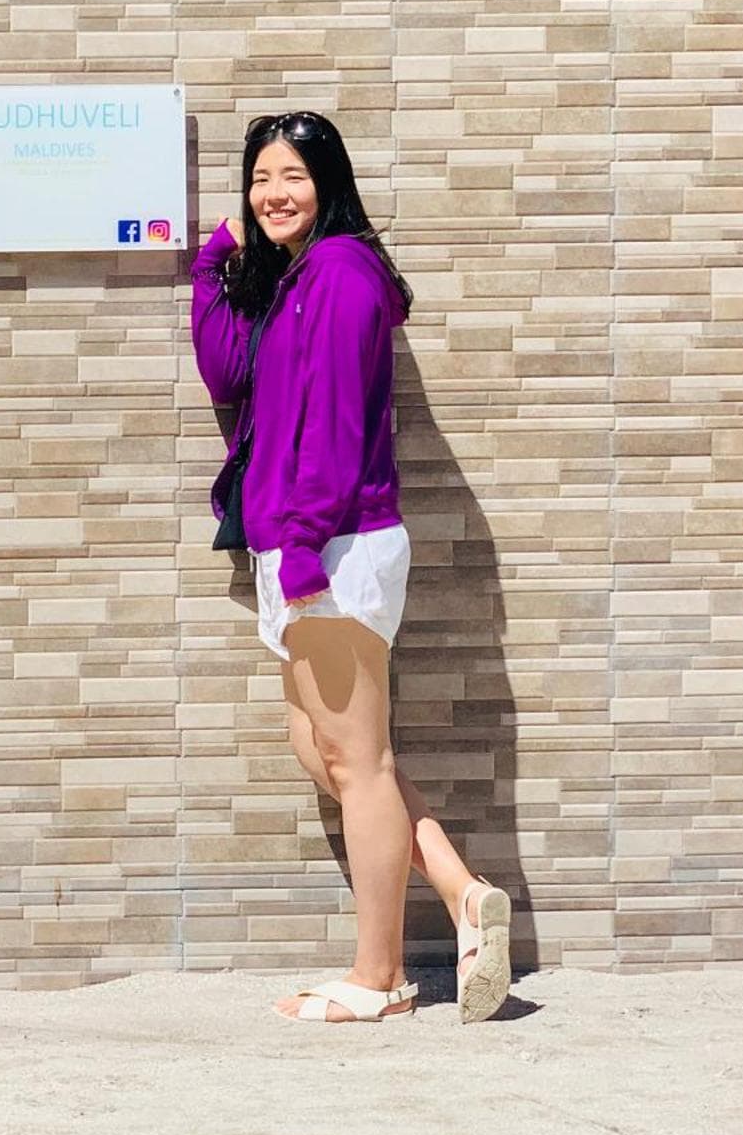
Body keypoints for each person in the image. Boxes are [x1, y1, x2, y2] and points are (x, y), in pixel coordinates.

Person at [190, 110, 512, 1025]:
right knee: (323, 746)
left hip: (329, 541)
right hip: (303, 539)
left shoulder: (338, 272)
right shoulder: (297, 276)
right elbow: (226, 372)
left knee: (360, 762)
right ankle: (460, 890)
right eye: (260, 178)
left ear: (329, 181)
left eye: (292, 175)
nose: (273, 193)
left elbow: (330, 422)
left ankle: (381, 978)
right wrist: (215, 261)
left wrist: (299, 548)